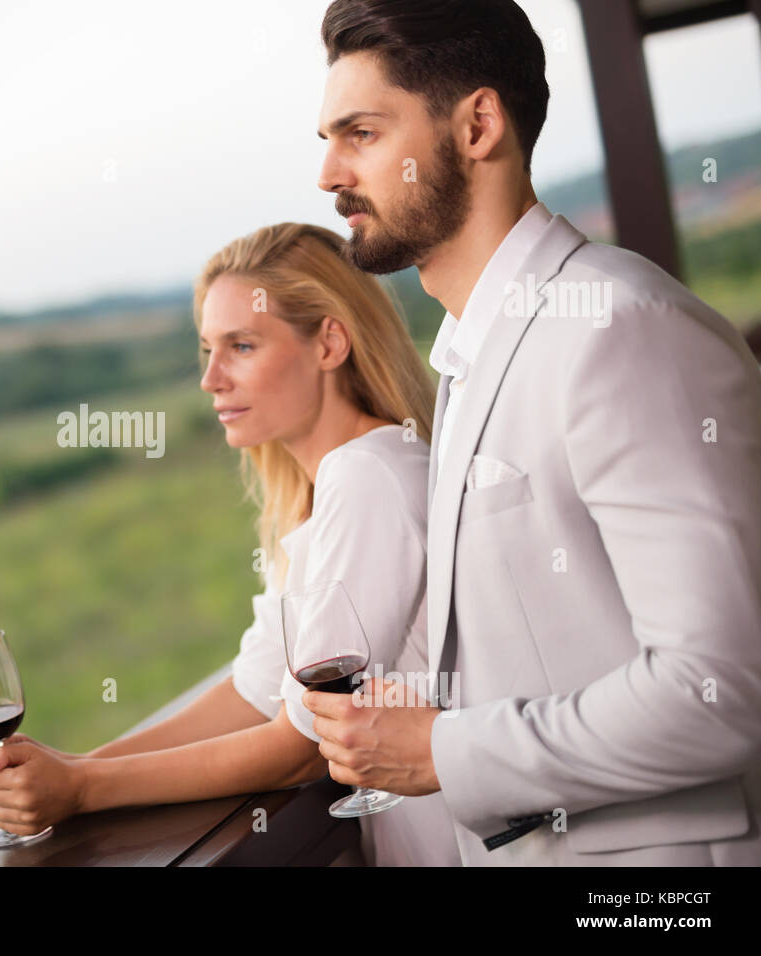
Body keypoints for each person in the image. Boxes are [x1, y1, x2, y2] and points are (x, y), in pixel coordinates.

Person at [302, 0, 761, 865]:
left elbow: (725, 692)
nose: (328, 173)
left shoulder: (619, 329)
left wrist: (442, 750)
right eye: (327, 139)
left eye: (359, 132)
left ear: (478, 124)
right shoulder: (472, 356)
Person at [0, 222, 461, 866]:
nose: (211, 378)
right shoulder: (324, 489)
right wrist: (69, 767)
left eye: (242, 346)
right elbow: (253, 689)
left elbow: (298, 745)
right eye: (207, 350)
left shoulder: (367, 474)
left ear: (330, 343)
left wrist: (86, 789)